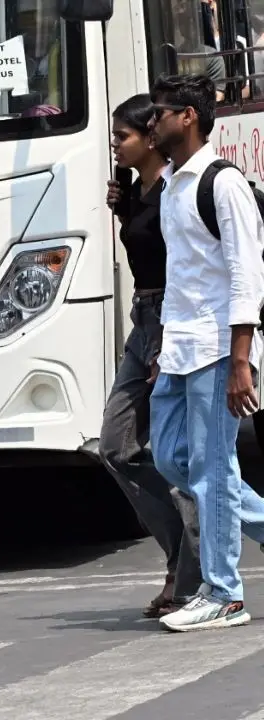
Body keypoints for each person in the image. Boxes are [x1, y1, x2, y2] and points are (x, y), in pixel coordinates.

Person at [146, 73, 264, 632]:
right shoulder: (171, 184)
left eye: (160, 112)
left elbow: (246, 276)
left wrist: (242, 360)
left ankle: (223, 594)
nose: (152, 121)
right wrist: (162, 346)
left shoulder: (222, 184)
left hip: (218, 348)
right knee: (173, 459)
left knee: (213, 470)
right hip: (179, 346)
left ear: (188, 117)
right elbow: (183, 275)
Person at [101, 93, 201, 619]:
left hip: (168, 319)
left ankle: (190, 576)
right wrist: (124, 208)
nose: (115, 145)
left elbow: (182, 265)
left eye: (124, 136)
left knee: (172, 454)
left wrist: (169, 340)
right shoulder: (135, 193)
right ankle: (182, 556)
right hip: (143, 321)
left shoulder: (174, 192)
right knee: (116, 446)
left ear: (150, 138)